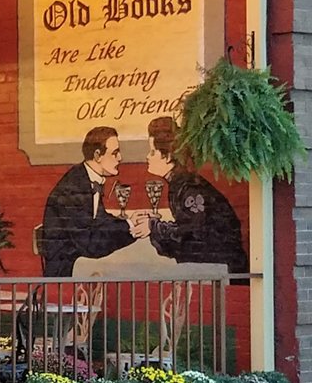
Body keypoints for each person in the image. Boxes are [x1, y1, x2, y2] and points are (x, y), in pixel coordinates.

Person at [129, 116, 247, 273]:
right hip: (213, 270)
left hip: (226, 272)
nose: (147, 157)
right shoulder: (180, 184)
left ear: (168, 157)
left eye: (152, 152)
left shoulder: (190, 187)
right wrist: (155, 225)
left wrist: (154, 227)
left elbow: (193, 231)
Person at [42, 126, 135, 276]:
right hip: (66, 272)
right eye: (115, 153)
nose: (120, 158)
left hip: (82, 262)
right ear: (98, 155)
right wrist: (129, 227)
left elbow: (101, 221)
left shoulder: (87, 177)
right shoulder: (72, 188)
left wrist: (130, 223)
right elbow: (90, 245)